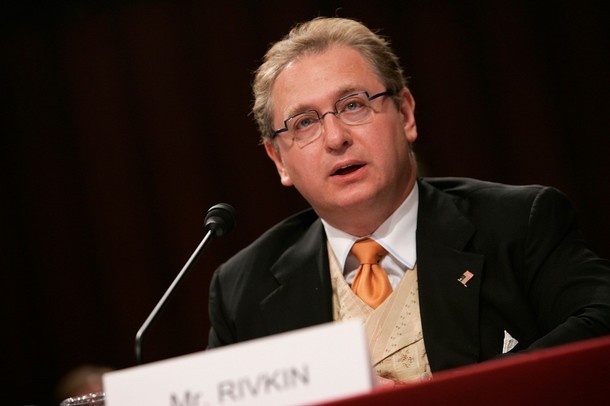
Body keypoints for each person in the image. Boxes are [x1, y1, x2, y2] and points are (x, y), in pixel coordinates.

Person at [207, 17, 610, 383]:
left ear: (405, 115)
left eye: (353, 105)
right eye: (305, 123)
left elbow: (601, 321)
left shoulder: (516, 224)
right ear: (279, 159)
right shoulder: (244, 289)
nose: (335, 138)